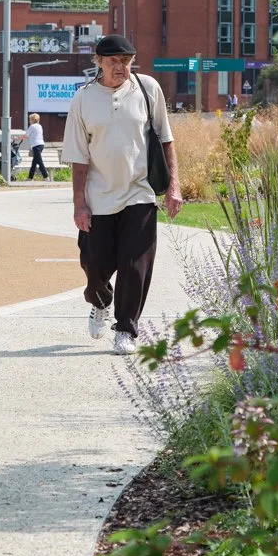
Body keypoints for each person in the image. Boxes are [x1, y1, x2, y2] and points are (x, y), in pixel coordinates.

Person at [61, 33, 180, 354]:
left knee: (135, 264)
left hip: (139, 194)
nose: (120, 67)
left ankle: (126, 328)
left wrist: (173, 187)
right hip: (98, 197)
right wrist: (79, 204)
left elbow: (165, 140)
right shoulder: (83, 99)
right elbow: (77, 156)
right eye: (113, 61)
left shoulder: (147, 89)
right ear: (97, 62)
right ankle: (100, 302)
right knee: (93, 263)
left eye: (126, 61)